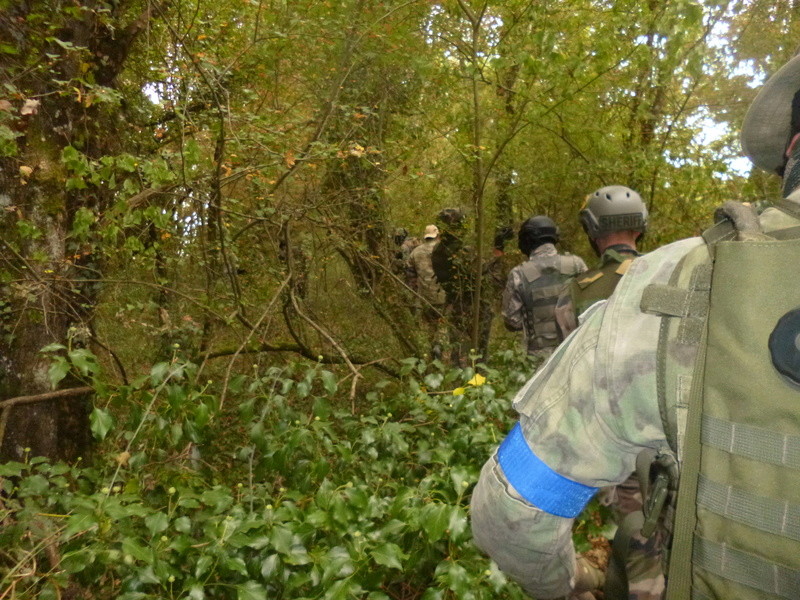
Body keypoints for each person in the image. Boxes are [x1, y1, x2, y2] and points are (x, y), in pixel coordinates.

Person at [470, 52, 800, 600]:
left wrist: (566, 582)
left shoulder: (675, 279)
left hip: (592, 445)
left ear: (791, 147)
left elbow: (516, 504)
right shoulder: (613, 272)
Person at [555, 185, 661, 600]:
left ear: (592, 231)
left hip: (608, 438)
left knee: (623, 528)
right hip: (670, 433)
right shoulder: (675, 273)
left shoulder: (577, 292)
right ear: (642, 227)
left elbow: (564, 376)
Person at [556, 185, 647, 337]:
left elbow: (565, 354)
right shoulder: (668, 273)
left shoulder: (575, 290)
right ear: (638, 231)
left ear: (592, 231)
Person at [501, 215, 587, 358]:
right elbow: (592, 307)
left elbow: (512, 322)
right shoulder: (576, 265)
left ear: (526, 240)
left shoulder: (519, 274)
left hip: (540, 359)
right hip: (576, 352)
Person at [407, 224, 446, 357]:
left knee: (430, 324)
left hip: (425, 296)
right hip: (443, 295)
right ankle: (439, 347)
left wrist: (415, 289)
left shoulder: (416, 251)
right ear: (438, 235)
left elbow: (409, 272)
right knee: (443, 323)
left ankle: (432, 348)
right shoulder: (444, 250)